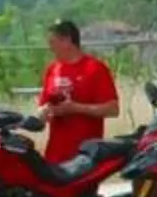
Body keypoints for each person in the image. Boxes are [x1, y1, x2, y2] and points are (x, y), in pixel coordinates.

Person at [37, 21, 119, 164]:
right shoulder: (52, 70)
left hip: (85, 156)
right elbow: (43, 107)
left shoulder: (95, 69)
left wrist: (76, 108)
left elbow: (113, 109)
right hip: (55, 155)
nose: (50, 47)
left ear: (67, 40)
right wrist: (46, 112)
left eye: (53, 42)